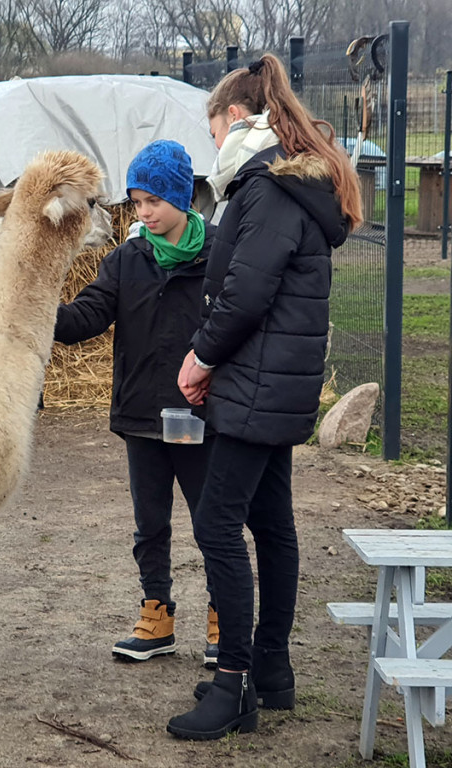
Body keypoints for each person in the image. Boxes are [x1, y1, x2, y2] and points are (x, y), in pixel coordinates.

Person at [168, 54, 363, 740]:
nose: (212, 143)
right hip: (274, 382)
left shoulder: (269, 188)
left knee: (217, 524)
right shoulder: (285, 183)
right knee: (271, 525)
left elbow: (245, 293)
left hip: (256, 383)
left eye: (214, 127)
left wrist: (201, 356)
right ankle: (271, 673)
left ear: (237, 118)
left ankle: (235, 683)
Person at [54, 140, 219, 667]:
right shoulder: (127, 260)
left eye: (152, 202)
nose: (142, 213)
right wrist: (30, 299)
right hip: (142, 417)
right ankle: (156, 617)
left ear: (181, 198)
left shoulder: (219, 258)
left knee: (211, 522)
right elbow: (84, 319)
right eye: (136, 202)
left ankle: (224, 619)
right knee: (150, 524)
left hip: (200, 420)